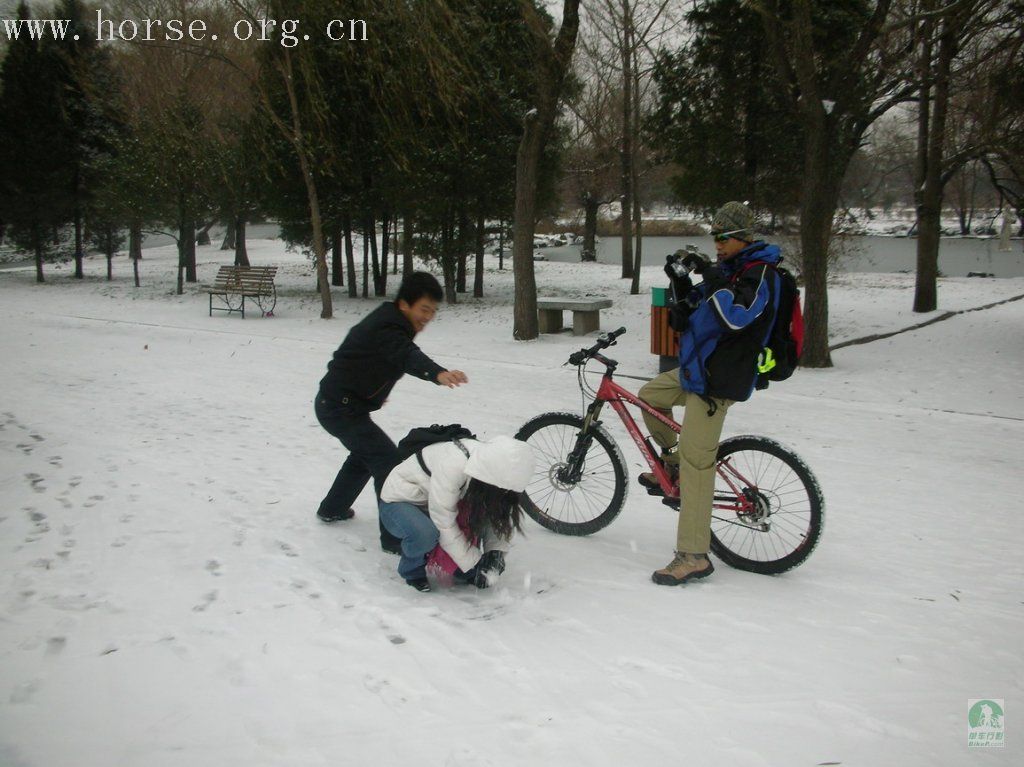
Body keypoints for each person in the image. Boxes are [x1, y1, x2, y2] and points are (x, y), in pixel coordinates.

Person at [639, 201, 783, 586]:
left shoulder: (762, 274)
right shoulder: (730, 270)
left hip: (721, 380)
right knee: (649, 395)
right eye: (714, 237)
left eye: (724, 237)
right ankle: (670, 463)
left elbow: (736, 316)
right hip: (695, 372)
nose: (717, 244)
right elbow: (684, 316)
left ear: (742, 237)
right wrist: (680, 281)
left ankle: (693, 556)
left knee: (698, 462)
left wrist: (713, 276)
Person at [314, 271, 468, 553]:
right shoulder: (388, 327)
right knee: (386, 461)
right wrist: (438, 373)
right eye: (424, 309)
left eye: (433, 311)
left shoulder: (393, 323)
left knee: (364, 456)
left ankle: (332, 509)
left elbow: (382, 358)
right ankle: (395, 537)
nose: (428, 317)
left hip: (344, 404)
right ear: (404, 304)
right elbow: (405, 355)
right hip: (338, 407)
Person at [377, 435, 535, 592]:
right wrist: (475, 562)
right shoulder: (453, 465)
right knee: (425, 534)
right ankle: (412, 571)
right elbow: (444, 523)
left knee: (467, 526)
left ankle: (454, 563)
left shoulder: (487, 471)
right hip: (400, 502)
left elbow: (495, 513)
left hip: (436, 503)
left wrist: (495, 552)